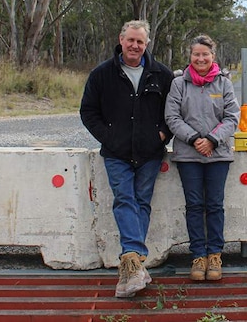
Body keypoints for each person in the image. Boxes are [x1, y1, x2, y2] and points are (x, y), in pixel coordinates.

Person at [79, 20, 173, 298]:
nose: (134, 46)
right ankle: (134, 262)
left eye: (140, 42)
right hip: (116, 153)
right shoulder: (102, 74)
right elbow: (88, 111)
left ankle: (133, 265)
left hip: (150, 154)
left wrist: (161, 135)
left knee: (142, 202)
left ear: (146, 45)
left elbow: (173, 111)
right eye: (130, 40)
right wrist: (109, 137)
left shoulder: (161, 75)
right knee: (124, 200)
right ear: (121, 40)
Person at [165, 34, 240, 281]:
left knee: (215, 205)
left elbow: (232, 118)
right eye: (196, 54)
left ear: (213, 56)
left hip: (217, 155)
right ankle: (198, 255)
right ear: (190, 56)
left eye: (205, 54)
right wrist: (195, 138)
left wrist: (212, 140)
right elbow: (172, 117)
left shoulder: (224, 83)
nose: (200, 58)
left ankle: (215, 254)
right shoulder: (179, 84)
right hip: (188, 155)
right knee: (194, 206)